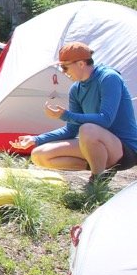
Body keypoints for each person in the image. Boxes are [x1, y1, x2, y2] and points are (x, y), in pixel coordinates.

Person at [10, 41, 137, 180]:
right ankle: (101, 168)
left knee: (87, 129)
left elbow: (105, 119)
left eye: (65, 67)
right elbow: (70, 130)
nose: (63, 72)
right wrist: (36, 139)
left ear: (81, 64)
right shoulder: (75, 89)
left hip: (125, 151)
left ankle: (96, 180)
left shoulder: (109, 78)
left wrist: (66, 115)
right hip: (96, 143)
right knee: (39, 155)